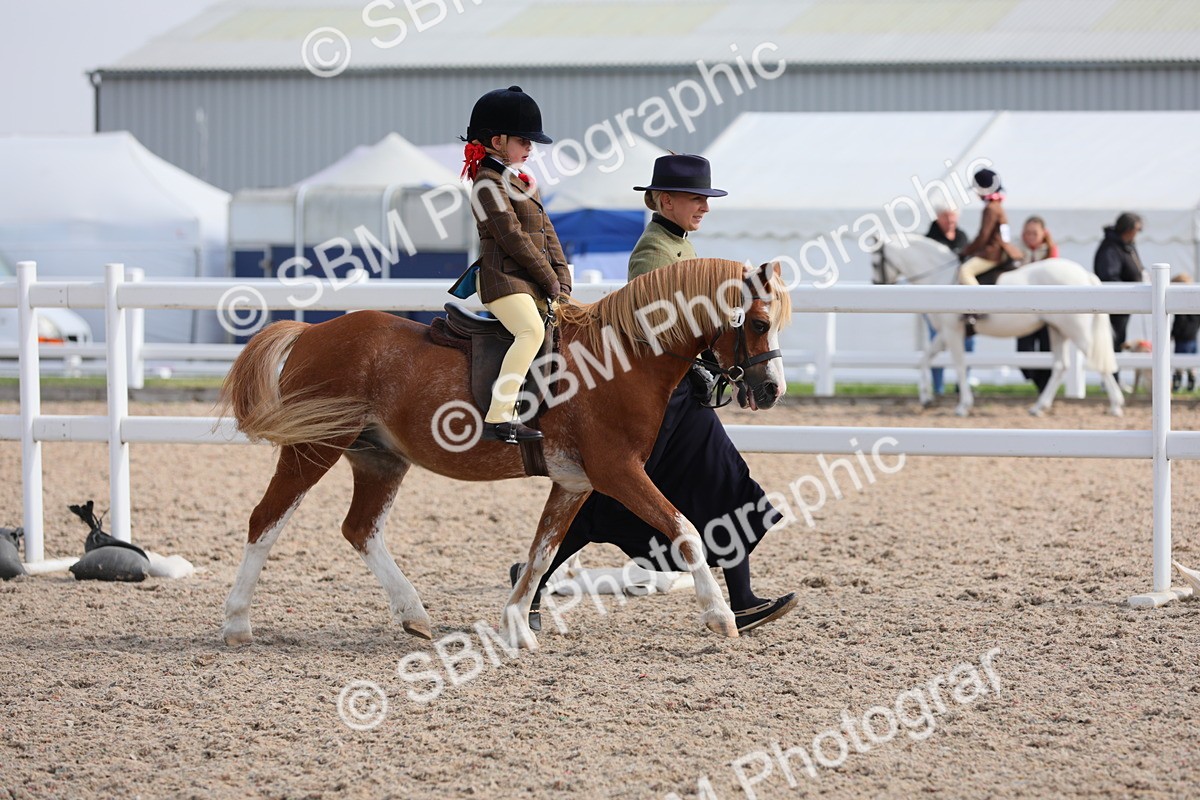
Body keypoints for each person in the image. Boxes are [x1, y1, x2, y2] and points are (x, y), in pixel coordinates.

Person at [513, 154, 798, 634]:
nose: (703, 207)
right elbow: (649, 332)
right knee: (604, 495)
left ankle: (743, 597)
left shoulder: (682, 249)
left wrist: (725, 371)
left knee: (719, 482)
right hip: (665, 399)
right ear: (665, 200)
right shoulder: (654, 254)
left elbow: (706, 331)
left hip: (684, 394)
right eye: (695, 199)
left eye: (706, 200)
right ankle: (532, 581)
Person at [460, 86, 572, 443]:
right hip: (503, 280)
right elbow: (512, 237)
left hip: (533, 280)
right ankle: (500, 416)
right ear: (497, 141)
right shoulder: (486, 184)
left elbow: (545, 229)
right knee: (531, 331)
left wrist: (563, 275)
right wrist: (548, 278)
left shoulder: (523, 181)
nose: (530, 149)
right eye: (524, 141)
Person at [925, 204, 974, 395]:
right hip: (936, 303)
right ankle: (938, 387)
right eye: (947, 217)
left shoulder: (962, 236)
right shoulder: (929, 241)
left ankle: (963, 385)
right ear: (938, 217)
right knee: (936, 343)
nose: (951, 221)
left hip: (959, 302)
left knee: (968, 343)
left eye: (953, 217)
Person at [1094, 212, 1145, 388]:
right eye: (1136, 229)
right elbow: (1108, 275)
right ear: (1128, 229)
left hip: (1123, 305)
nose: (1138, 233)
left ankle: (1114, 380)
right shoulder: (1110, 248)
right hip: (1114, 304)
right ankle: (1110, 381)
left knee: (1118, 342)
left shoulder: (1126, 246)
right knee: (1111, 343)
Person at [959, 169, 1024, 287]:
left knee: (964, 271)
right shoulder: (998, 206)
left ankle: (979, 300)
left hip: (993, 253)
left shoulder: (990, 209)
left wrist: (966, 251)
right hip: (1004, 249)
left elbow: (983, 236)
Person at [1015, 216, 1058, 392]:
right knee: (1024, 350)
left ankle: (1044, 388)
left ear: (1043, 233)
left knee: (1047, 349)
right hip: (1024, 311)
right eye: (1027, 233)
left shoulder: (1050, 252)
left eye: (1034, 233)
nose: (1030, 236)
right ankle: (1035, 380)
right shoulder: (1016, 251)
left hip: (1047, 312)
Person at [1171, 273, 1198, 392]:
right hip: (1193, 338)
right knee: (1191, 364)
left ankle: (1177, 385)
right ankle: (1191, 385)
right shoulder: (1195, 303)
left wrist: (1172, 333)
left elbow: (1179, 323)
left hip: (1182, 339)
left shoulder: (1180, 306)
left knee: (1179, 364)